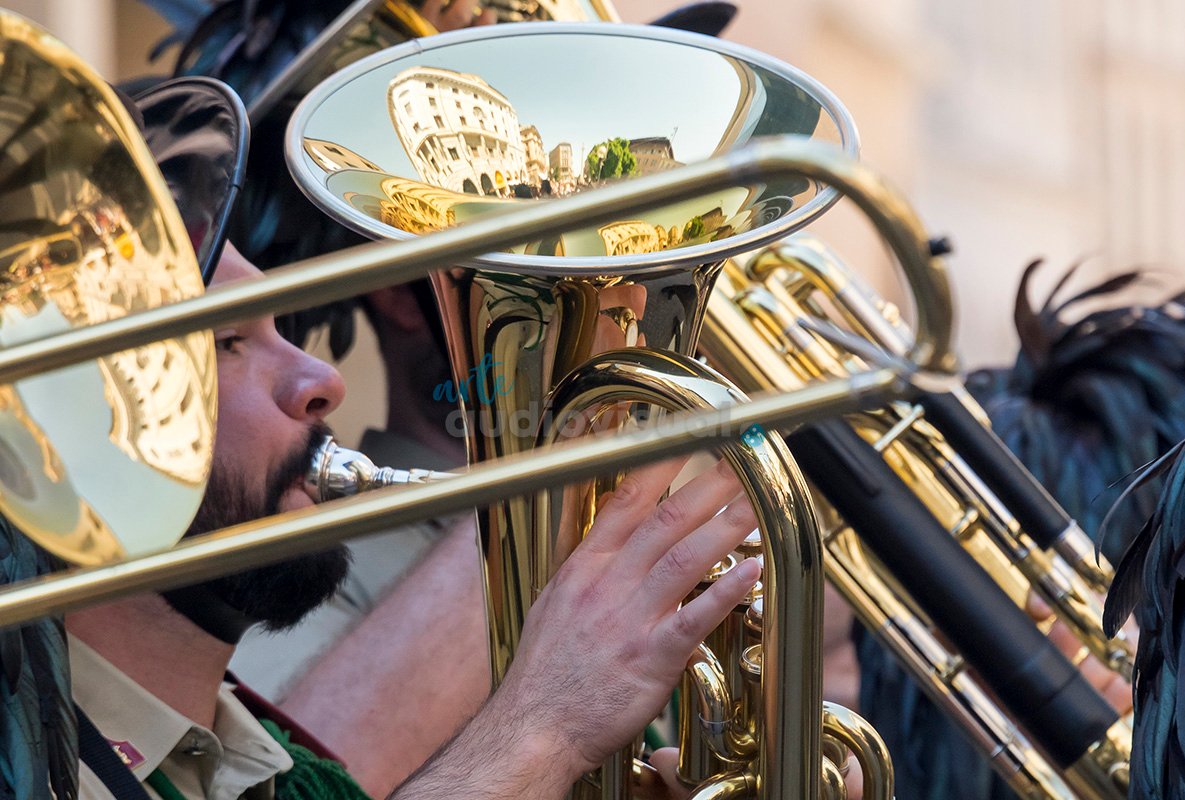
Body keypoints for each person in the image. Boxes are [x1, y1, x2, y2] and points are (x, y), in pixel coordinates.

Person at [65, 243, 764, 799]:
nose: (321, 379)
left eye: (276, 327)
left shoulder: (291, 777)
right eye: (225, 341)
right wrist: (544, 724)